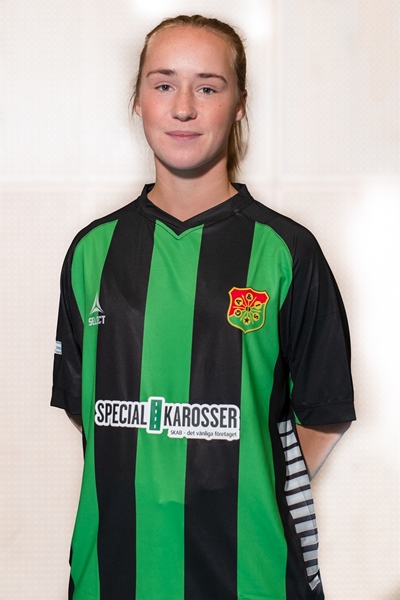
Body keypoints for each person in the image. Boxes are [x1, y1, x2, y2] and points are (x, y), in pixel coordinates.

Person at [51, 14, 355, 600]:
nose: (183, 107)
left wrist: (236, 483)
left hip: (252, 577)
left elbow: (324, 411)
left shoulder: (286, 251)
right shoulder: (92, 251)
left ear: (239, 105)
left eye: (208, 87)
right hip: (112, 574)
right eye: (164, 84)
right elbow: (87, 409)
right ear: (138, 100)